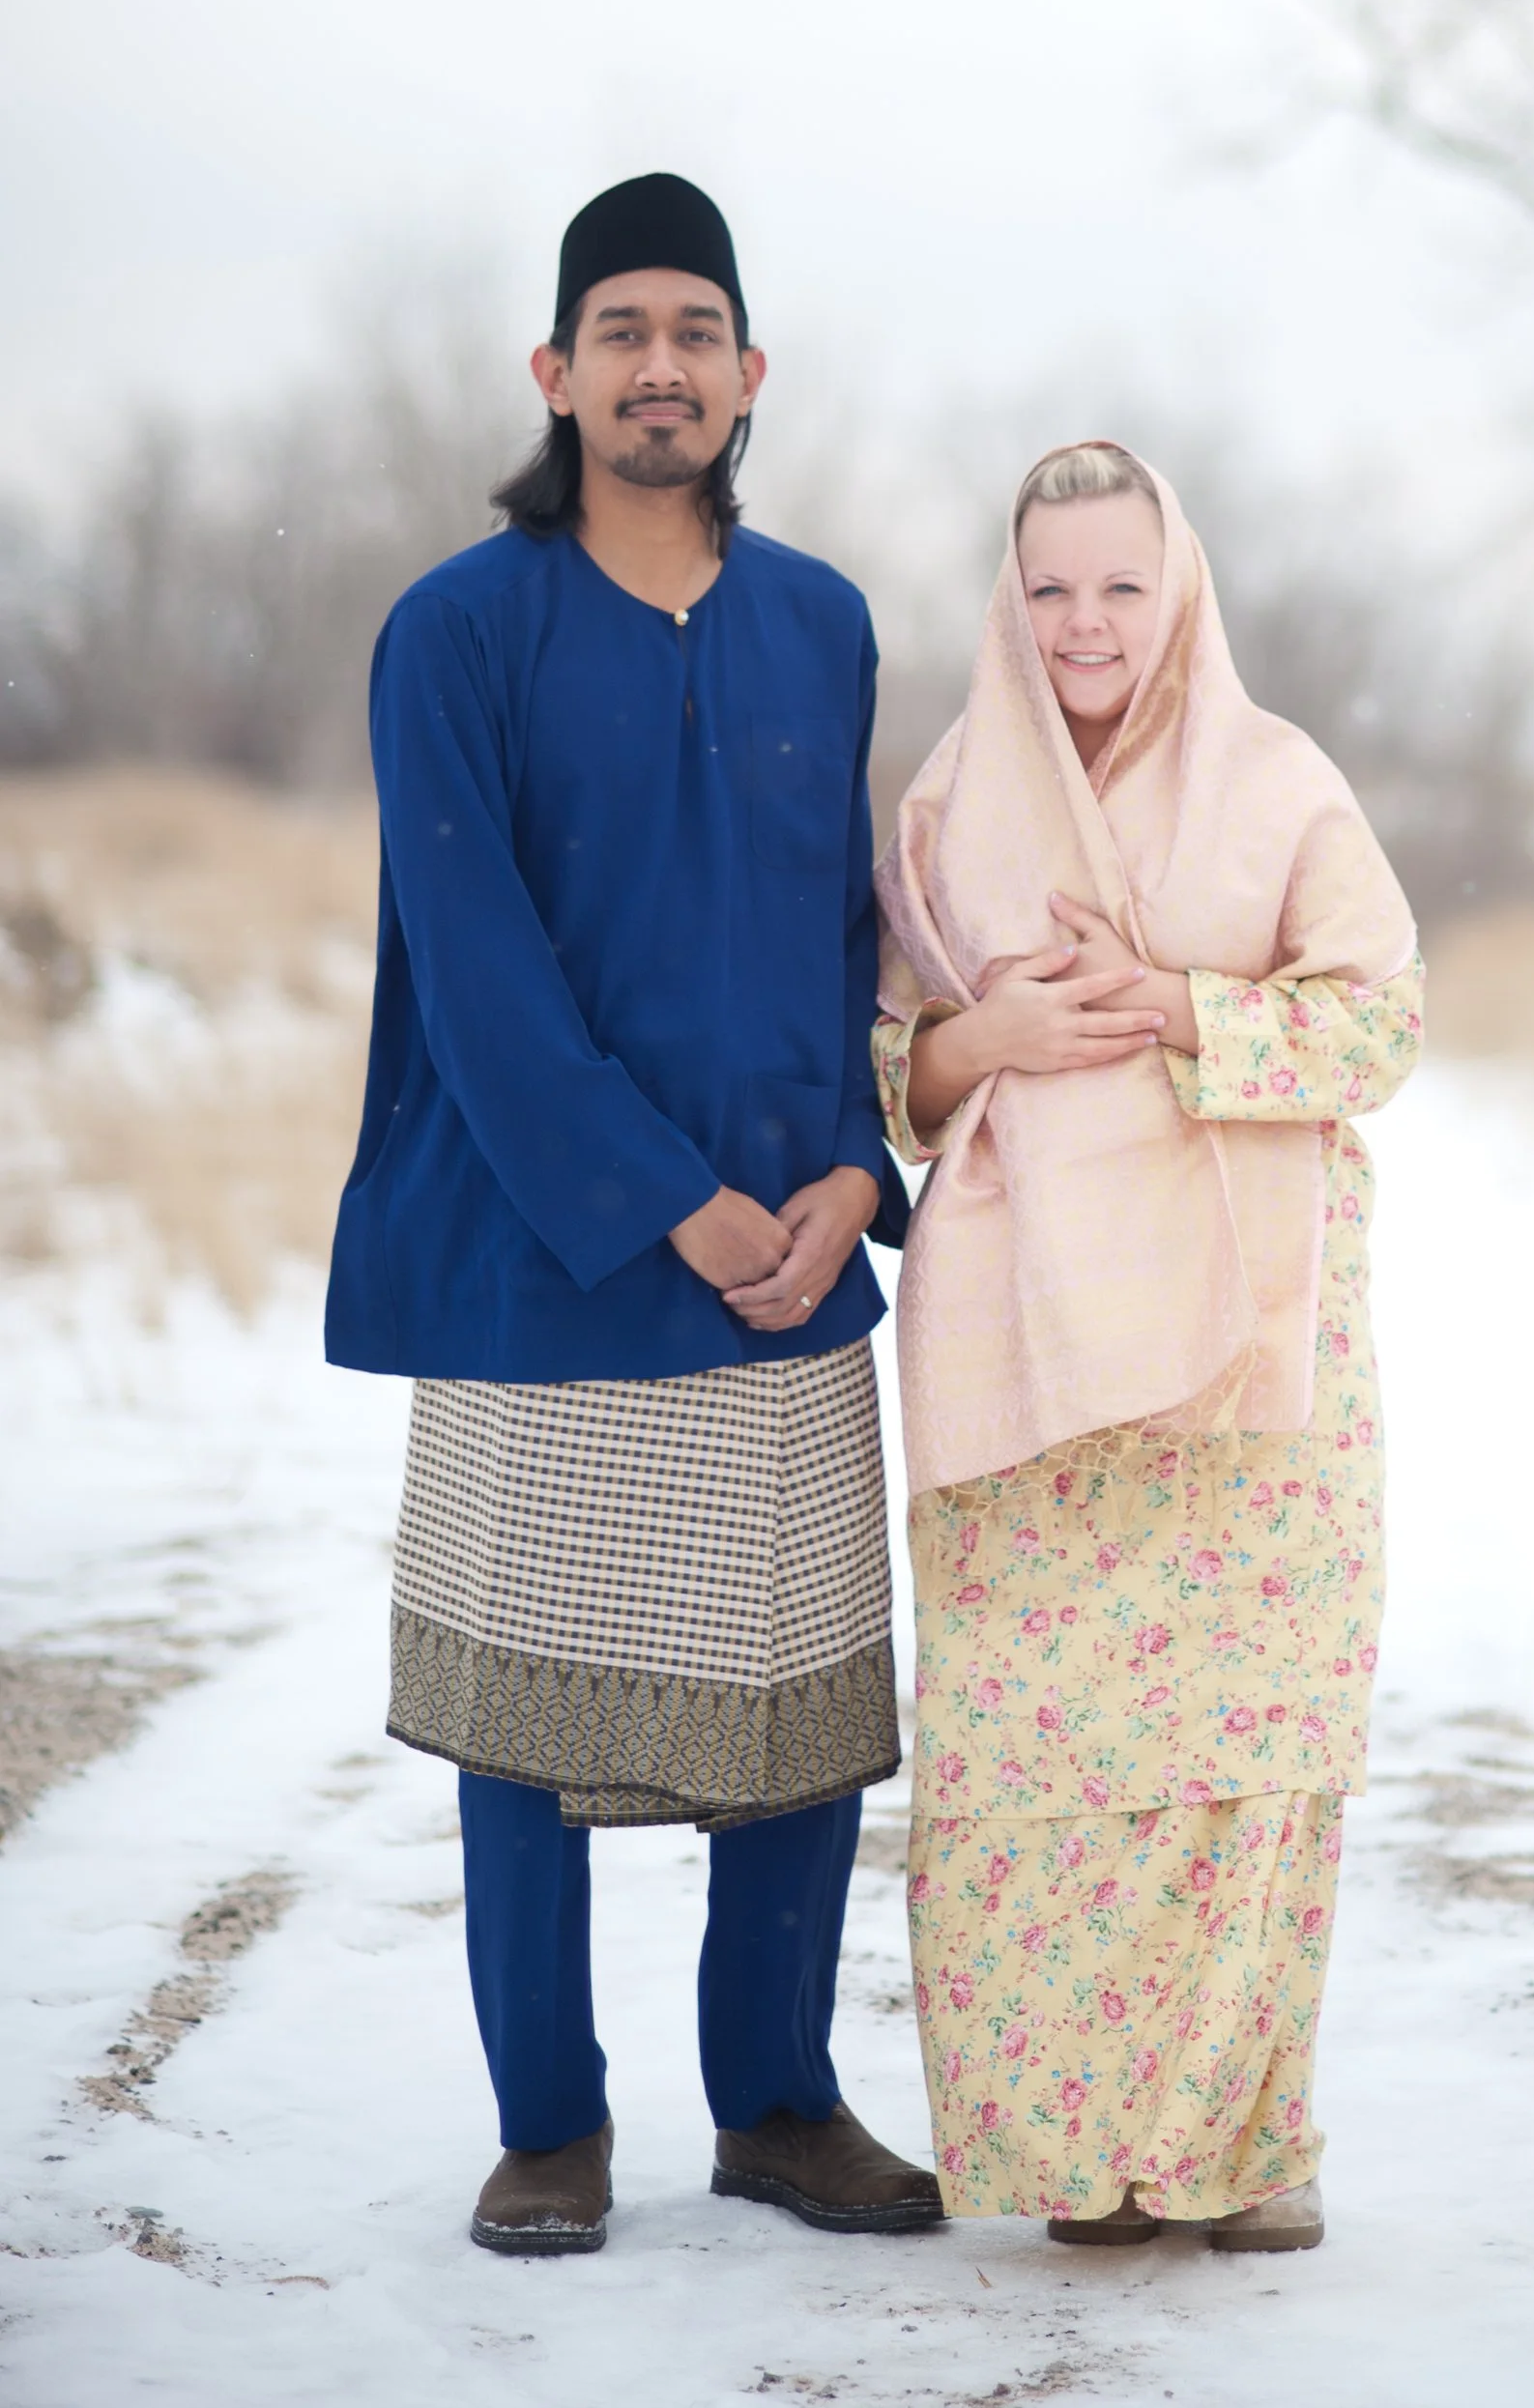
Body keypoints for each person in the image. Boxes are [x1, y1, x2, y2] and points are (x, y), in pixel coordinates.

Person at [325, 172, 941, 2258]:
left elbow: (855, 930)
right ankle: (547, 2123)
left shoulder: (823, 623)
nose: (659, 364)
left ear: (750, 374)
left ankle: (775, 2101)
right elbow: (476, 978)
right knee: (531, 1705)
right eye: (621, 331)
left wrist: (857, 1178)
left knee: (796, 1710)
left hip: (795, 1254)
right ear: (557, 372)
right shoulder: (456, 630)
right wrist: (669, 1205)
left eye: (696, 329)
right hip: (549, 1257)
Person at [871, 442, 1421, 2253]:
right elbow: (893, 1076)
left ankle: (1243, 2149)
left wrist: (1183, 1012)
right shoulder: (953, 797)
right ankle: (1084, 2160)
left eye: (1119, 584)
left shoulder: (1278, 786)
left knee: (1238, 1757)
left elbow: (1382, 1029)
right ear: (1007, 602)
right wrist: (995, 1036)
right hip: (1020, 1348)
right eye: (1050, 588)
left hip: (1248, 1344)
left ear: (1176, 585)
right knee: (1040, 1773)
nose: (1085, 623)